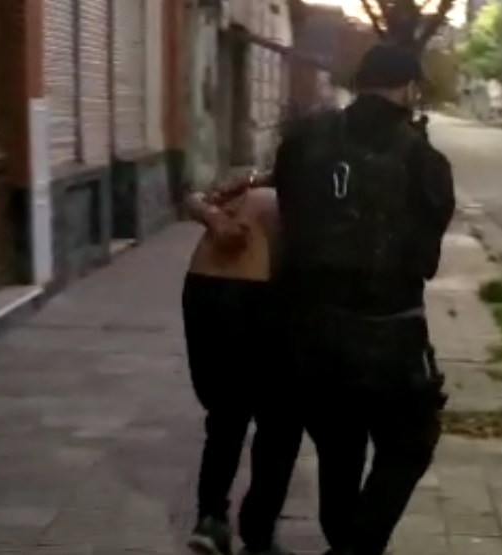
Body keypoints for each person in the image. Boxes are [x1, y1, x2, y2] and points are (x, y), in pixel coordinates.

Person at [272, 43, 456, 555]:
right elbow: (426, 251)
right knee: (410, 443)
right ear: (409, 89)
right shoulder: (423, 158)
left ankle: (345, 541)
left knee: (338, 448)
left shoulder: (303, 141)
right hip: (389, 332)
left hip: (310, 330)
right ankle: (357, 547)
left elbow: (289, 212)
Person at [183, 179, 302, 555]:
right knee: (281, 420)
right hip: (259, 290)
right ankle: (258, 533)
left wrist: (213, 216)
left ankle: (211, 520)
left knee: (225, 415)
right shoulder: (307, 176)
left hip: (203, 286)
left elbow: (193, 198)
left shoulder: (249, 186)